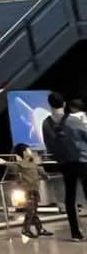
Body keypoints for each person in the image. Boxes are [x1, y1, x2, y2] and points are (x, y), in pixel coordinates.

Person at [41, 92, 87, 241]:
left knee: (70, 196)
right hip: (82, 160)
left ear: (50, 105)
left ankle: (75, 233)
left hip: (65, 163)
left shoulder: (46, 123)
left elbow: (48, 145)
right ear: (64, 104)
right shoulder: (74, 121)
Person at [9, 143, 52, 238]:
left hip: (35, 189)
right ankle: (26, 229)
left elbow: (40, 170)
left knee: (34, 210)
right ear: (24, 152)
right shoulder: (20, 164)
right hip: (28, 190)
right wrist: (4, 163)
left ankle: (39, 228)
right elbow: (13, 167)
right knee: (31, 211)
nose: (30, 152)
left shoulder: (32, 163)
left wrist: (45, 175)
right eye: (28, 150)